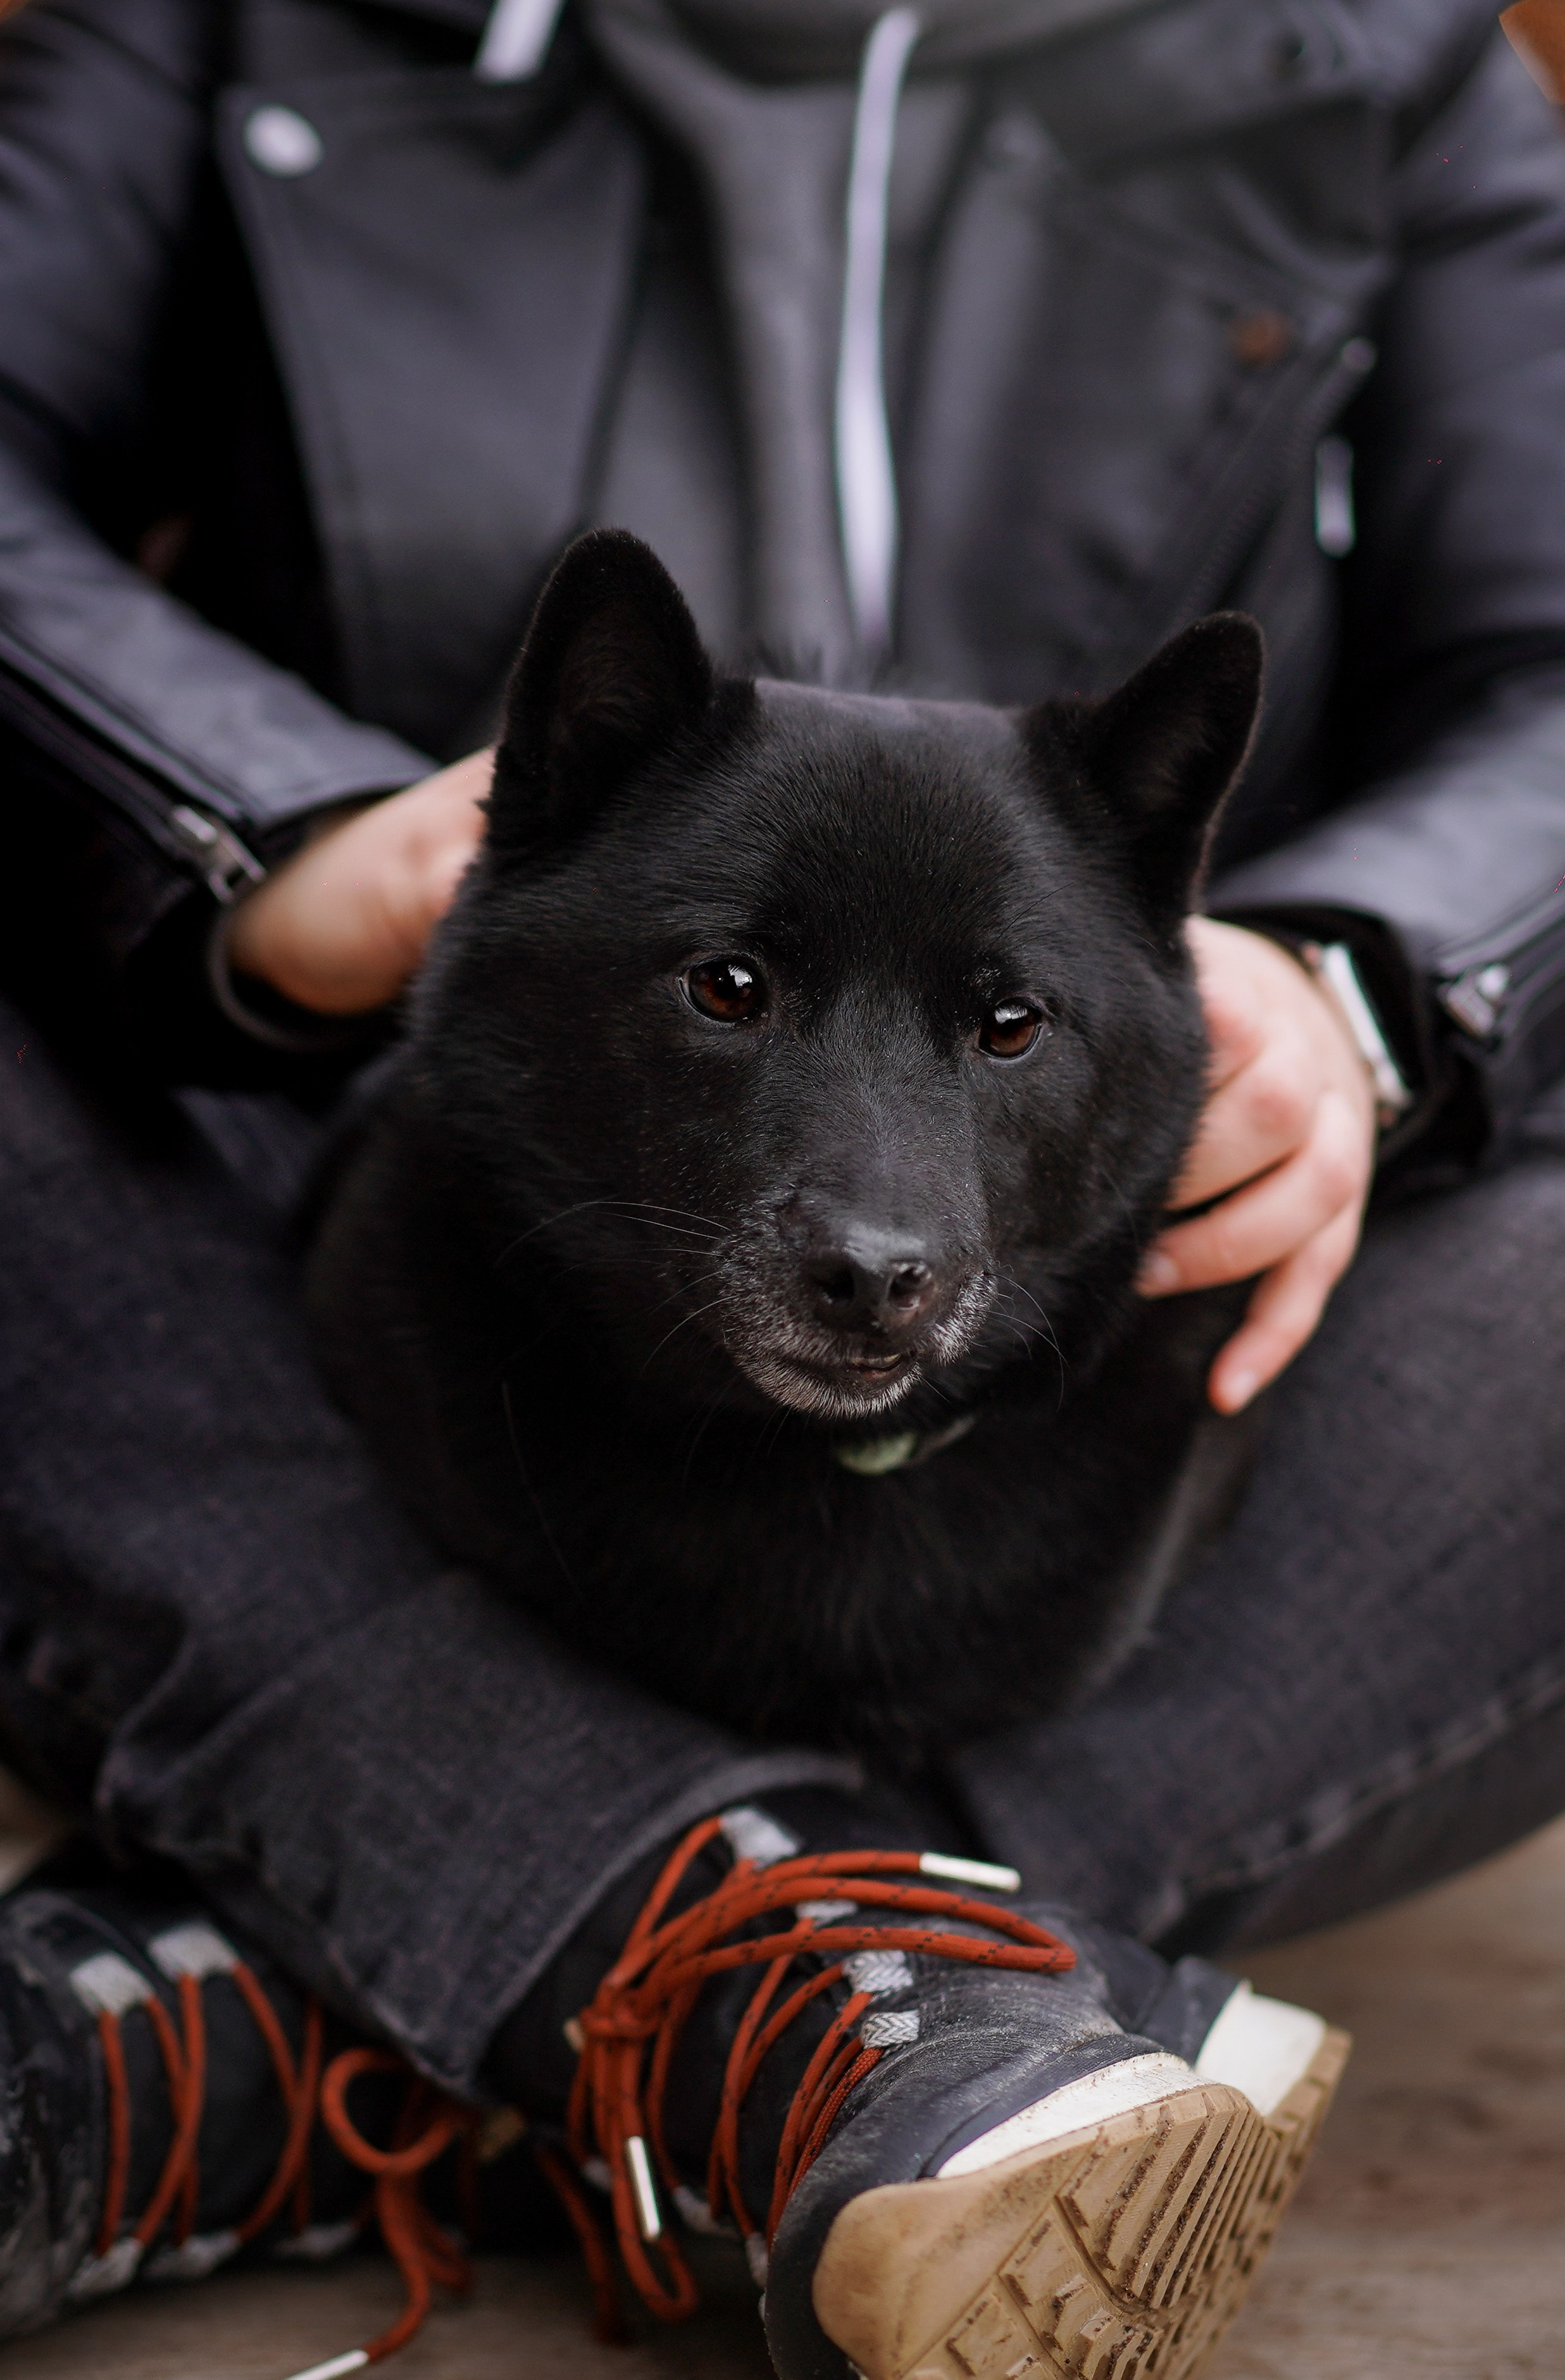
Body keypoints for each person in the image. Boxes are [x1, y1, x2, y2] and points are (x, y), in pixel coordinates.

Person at [2, 0, 1565, 2370]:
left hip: (1142, 1313)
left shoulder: (1368, 52)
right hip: (343, 1247)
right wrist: (255, 827)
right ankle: (811, 2000)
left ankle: (339, 2004)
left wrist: (1364, 986)